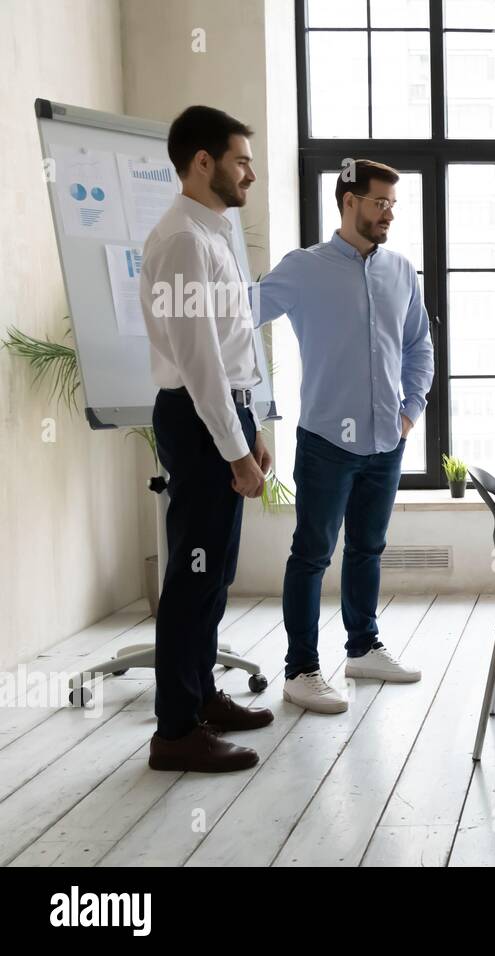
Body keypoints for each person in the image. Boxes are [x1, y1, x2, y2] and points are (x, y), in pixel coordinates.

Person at [254, 160, 435, 714]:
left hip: (387, 439)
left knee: (368, 548)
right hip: (325, 441)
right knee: (311, 554)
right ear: (348, 200)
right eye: (379, 202)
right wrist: (256, 409)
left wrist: (410, 412)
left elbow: (419, 346)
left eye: (393, 205)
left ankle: (362, 647)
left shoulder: (401, 270)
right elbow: (239, 321)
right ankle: (301, 670)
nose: (388, 213)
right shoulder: (304, 268)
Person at [143, 105, 272, 772]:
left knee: (214, 570)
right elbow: (200, 365)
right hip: (198, 420)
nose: (250, 171)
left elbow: (233, 346)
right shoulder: (184, 242)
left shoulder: (214, 231)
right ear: (202, 162)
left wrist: (255, 424)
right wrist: (235, 449)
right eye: (240, 159)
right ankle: (174, 733)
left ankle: (199, 698)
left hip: (223, 416)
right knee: (193, 576)